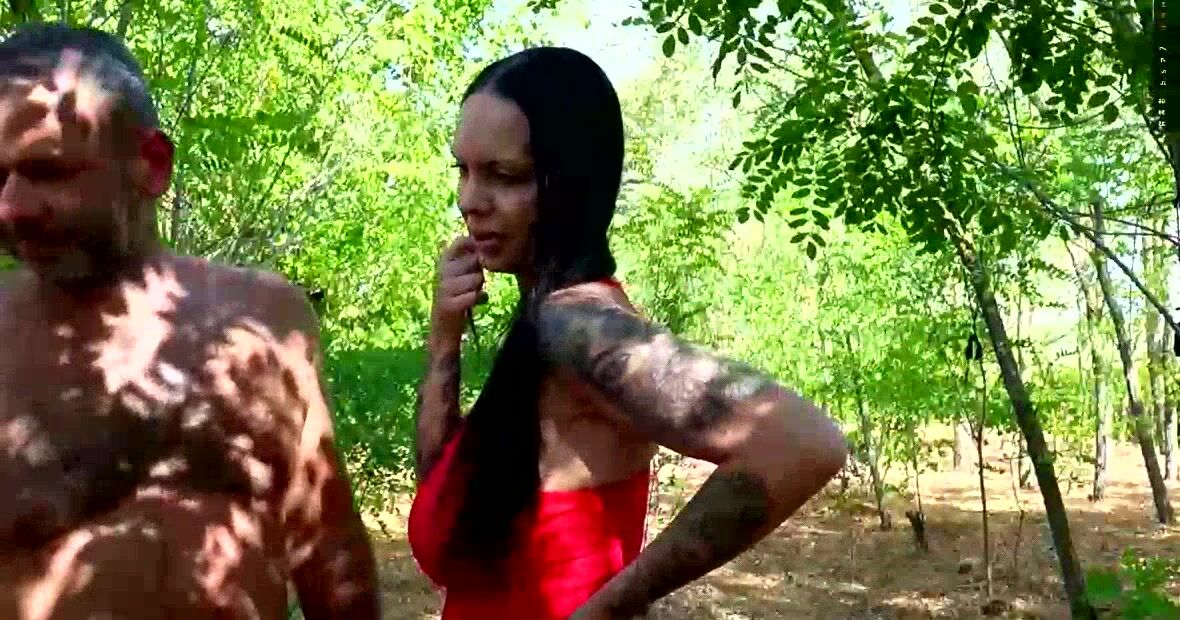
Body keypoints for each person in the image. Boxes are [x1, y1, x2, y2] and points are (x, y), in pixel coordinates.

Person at [407, 46, 848, 619]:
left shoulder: (579, 329)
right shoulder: (543, 326)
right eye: (462, 171)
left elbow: (803, 442)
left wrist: (609, 608)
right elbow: (443, 500)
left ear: (571, 185)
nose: (469, 201)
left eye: (504, 176)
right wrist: (445, 337)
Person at [0, 24, 380, 619]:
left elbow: (327, 550)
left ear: (151, 165)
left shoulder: (264, 321)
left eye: (48, 171)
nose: (12, 208)